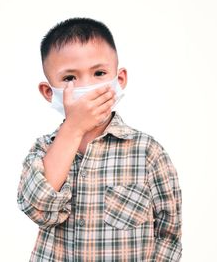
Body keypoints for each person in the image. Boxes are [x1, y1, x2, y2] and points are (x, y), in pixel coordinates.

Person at [17, 17, 182, 261]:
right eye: (70, 78)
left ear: (120, 80)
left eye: (99, 73)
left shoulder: (147, 152)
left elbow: (169, 233)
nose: (88, 87)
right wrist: (74, 127)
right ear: (49, 92)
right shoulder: (43, 150)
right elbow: (38, 209)